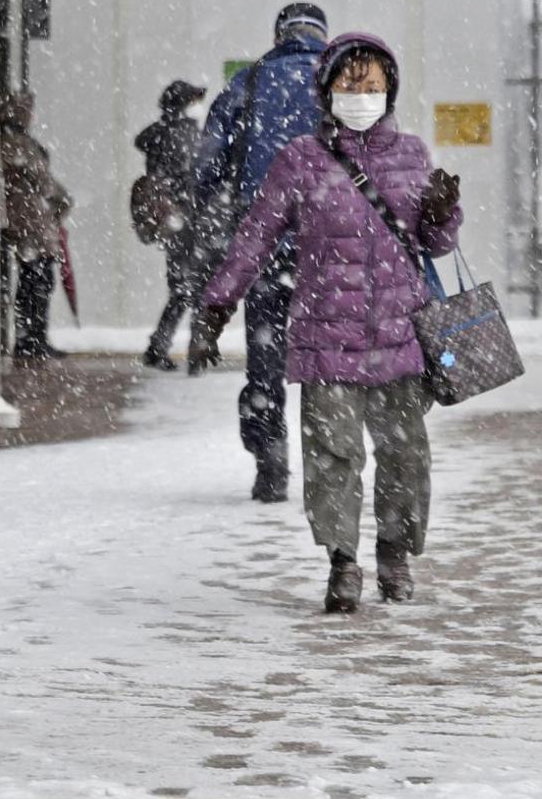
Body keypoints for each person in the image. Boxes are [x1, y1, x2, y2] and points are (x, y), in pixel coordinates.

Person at [192, 33, 463, 613]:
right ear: (326, 90)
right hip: (325, 336)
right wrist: (217, 303)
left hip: (399, 334)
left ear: (390, 90)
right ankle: (343, 564)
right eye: (348, 84)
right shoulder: (301, 159)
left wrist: (443, 212)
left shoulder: (412, 154)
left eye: (371, 85)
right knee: (333, 456)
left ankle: (394, 550)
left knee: (403, 456)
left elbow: (433, 243)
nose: (360, 94)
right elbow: (256, 238)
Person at [191, 3, 330, 503]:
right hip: (331, 247)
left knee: (265, 356)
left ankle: (270, 453)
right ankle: (331, 458)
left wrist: (211, 202)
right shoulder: (341, 83)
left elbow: (209, 161)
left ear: (280, 33)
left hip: (265, 242)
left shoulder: (248, 84)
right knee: (331, 354)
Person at [135, 79, 208, 370]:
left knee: (181, 288)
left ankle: (160, 346)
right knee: (194, 288)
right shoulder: (183, 134)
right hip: (188, 220)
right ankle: (193, 352)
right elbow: (194, 177)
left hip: (171, 222)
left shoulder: (158, 134)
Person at [0, 91, 72, 362]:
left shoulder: (13, 142)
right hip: (30, 221)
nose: (31, 115)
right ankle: (32, 339)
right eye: (26, 110)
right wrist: (62, 200)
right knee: (38, 281)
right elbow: (42, 179)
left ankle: (31, 338)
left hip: (29, 220)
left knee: (34, 281)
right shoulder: (17, 144)